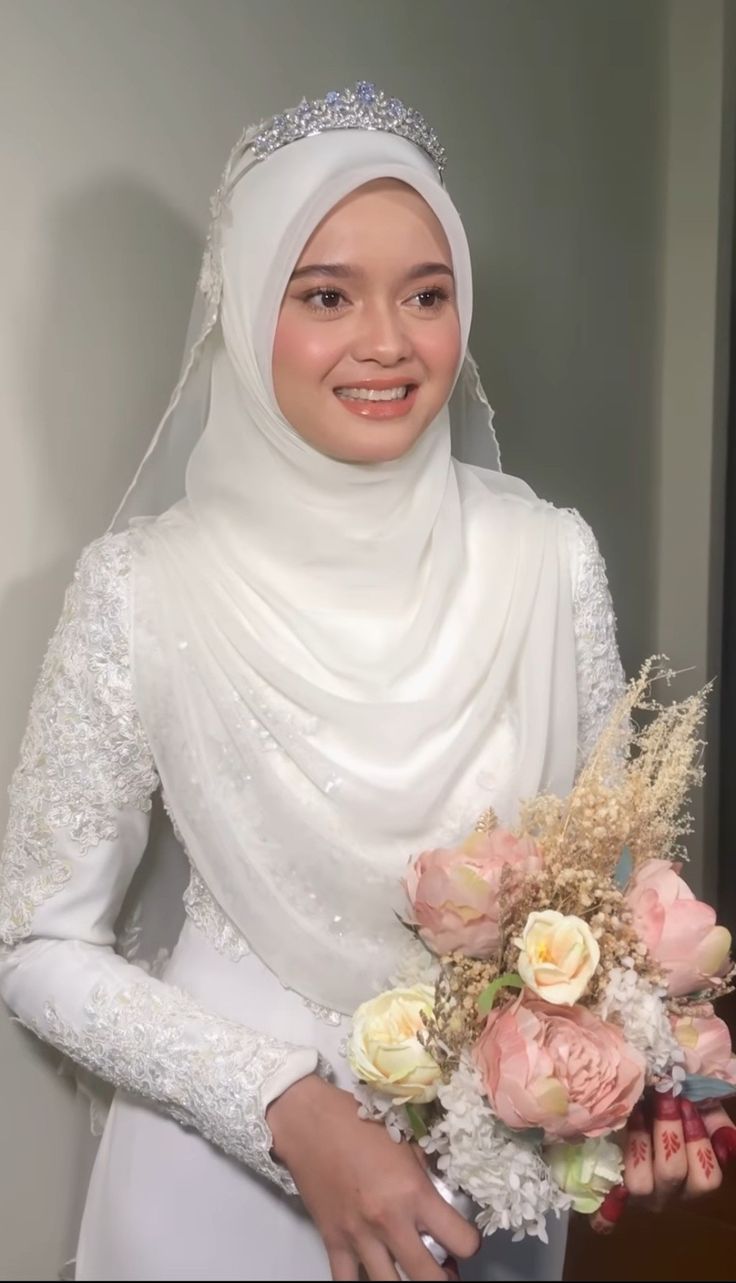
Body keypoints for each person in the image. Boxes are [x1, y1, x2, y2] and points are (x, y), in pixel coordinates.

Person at [0, 82, 716, 1283]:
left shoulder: (550, 557)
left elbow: (611, 881)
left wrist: (661, 1066)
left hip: (488, 1178)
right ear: (244, 308)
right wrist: (288, 1106)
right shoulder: (141, 590)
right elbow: (35, 941)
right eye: (325, 294)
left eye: (425, 295)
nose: (386, 342)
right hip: (219, 1187)